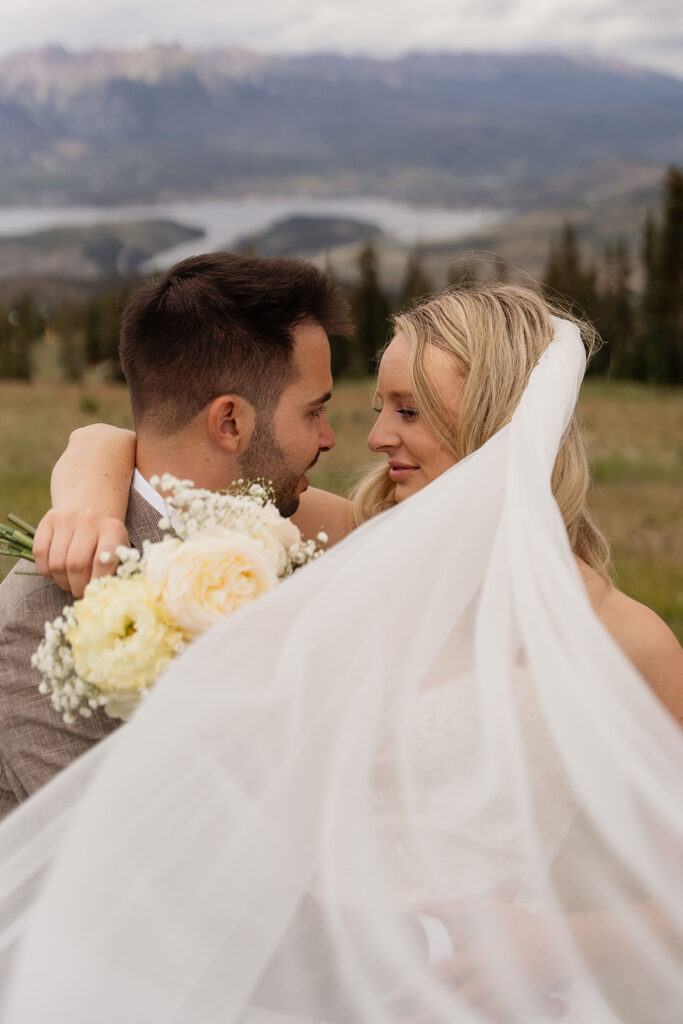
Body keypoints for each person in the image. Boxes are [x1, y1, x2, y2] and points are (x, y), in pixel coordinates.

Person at [0, 283, 680, 1024]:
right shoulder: (353, 543)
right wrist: (87, 505)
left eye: (408, 410)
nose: (374, 436)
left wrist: (557, 945)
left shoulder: (623, 637)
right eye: (378, 407)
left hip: (468, 996)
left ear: (500, 423)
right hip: (283, 981)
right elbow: (126, 442)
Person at [0, 251, 353, 816]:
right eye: (314, 411)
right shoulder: (48, 611)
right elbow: (114, 865)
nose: (331, 437)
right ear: (230, 422)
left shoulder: (289, 535)